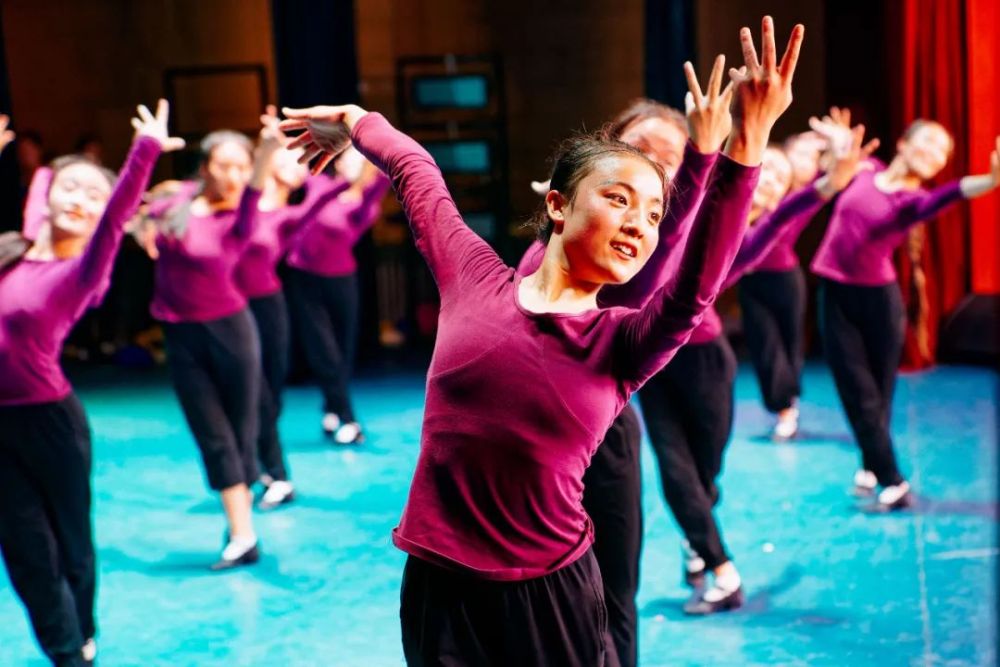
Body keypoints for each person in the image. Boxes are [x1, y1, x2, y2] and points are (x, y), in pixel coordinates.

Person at [281, 15, 801, 664]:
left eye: (653, 213)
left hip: (551, 596)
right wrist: (357, 120)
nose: (639, 224)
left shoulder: (622, 343)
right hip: (440, 585)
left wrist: (747, 139)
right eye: (619, 199)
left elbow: (695, 285)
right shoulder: (473, 278)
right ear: (557, 204)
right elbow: (417, 173)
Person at [0, 101, 181, 666]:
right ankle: (66, 652)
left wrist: (144, 151)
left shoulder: (81, 272)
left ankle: (82, 631)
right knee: (25, 551)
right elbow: (40, 184)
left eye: (93, 194)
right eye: (70, 187)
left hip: (50, 423)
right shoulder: (13, 248)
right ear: (48, 193)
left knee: (71, 544)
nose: (79, 199)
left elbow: (113, 217)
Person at [807, 108, 1000, 509]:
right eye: (928, 141)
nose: (934, 153)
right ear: (904, 143)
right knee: (857, 391)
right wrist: (837, 146)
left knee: (878, 394)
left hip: (880, 303)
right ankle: (890, 477)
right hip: (836, 295)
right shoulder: (865, 170)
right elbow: (828, 173)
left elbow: (950, 194)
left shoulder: (914, 200)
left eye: (942, 152)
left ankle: (878, 471)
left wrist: (990, 181)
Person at [143, 115, 282, 568]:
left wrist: (265, 149)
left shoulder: (240, 215)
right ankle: (242, 532)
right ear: (205, 167)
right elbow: (135, 211)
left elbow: (256, 185)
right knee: (213, 435)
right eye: (225, 165)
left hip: (231, 334)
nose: (234, 175)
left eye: (242, 166)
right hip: (181, 336)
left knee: (239, 433)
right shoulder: (177, 202)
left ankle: (242, 531)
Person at [284, 147, 391, 444]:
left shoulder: (364, 205)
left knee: (342, 351)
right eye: (346, 157)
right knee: (323, 350)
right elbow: (299, 166)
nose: (348, 162)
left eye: (357, 159)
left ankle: (332, 408)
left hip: (341, 280)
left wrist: (380, 156)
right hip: (304, 276)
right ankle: (347, 418)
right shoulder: (320, 185)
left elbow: (382, 183)